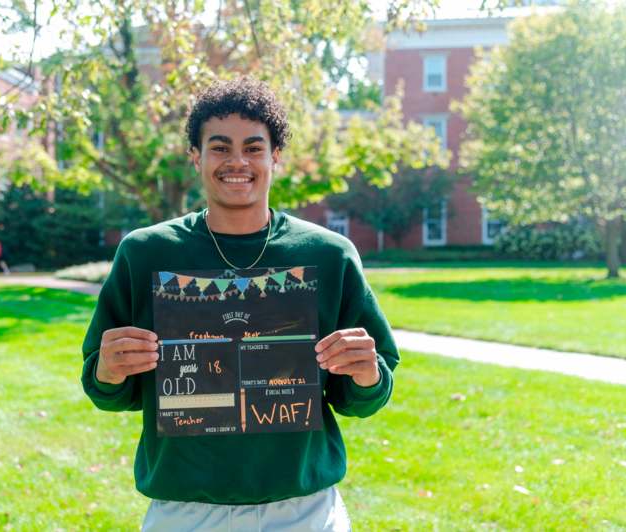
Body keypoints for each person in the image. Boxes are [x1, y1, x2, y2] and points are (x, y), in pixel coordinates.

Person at [81, 77, 399, 531]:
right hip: (184, 510)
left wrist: (367, 375)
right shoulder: (145, 253)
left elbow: (364, 396)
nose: (237, 162)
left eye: (253, 147)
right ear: (196, 156)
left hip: (303, 510)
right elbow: (106, 388)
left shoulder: (328, 255)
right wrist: (108, 371)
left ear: (275, 157)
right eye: (220, 147)